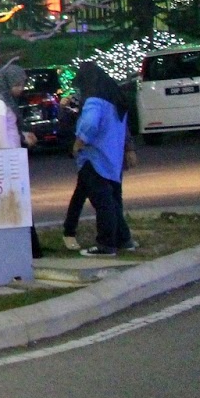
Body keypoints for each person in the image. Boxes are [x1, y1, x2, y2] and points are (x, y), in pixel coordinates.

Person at [71, 61, 136, 256]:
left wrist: (79, 142)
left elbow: (90, 124)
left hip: (95, 158)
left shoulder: (94, 101)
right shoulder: (115, 99)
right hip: (113, 159)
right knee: (113, 201)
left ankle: (106, 245)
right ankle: (124, 240)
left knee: (103, 203)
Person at [0, 64, 43, 258]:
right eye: (17, 84)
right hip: (5, 162)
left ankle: (28, 246)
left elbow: (10, 130)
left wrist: (24, 137)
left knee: (19, 205)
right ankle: (22, 248)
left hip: (12, 158)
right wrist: (10, 161)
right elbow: (1, 135)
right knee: (12, 205)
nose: (21, 89)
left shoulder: (6, 101)